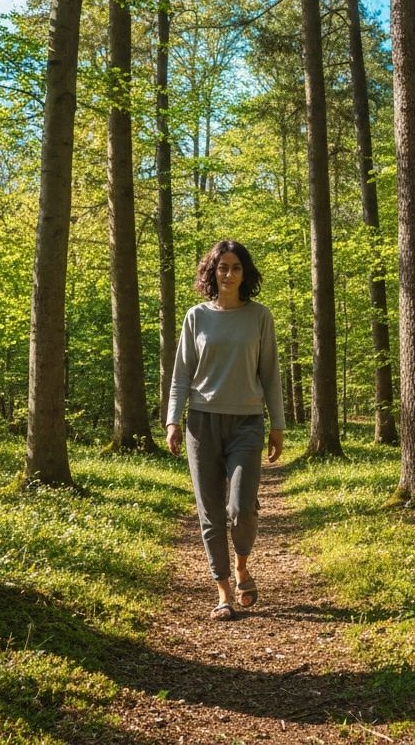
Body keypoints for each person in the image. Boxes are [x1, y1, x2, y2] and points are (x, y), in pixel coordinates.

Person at [166, 239, 285, 621]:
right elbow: (181, 373)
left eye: (235, 267)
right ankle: (223, 591)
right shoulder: (196, 317)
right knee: (211, 513)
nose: (229, 274)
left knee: (241, 508)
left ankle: (242, 564)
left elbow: (270, 375)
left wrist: (277, 425)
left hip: (247, 423)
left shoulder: (260, 316)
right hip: (201, 422)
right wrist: (172, 419)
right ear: (211, 273)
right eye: (222, 268)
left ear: (245, 273)